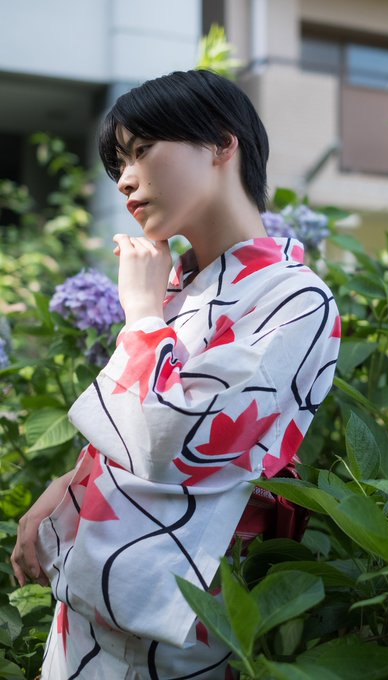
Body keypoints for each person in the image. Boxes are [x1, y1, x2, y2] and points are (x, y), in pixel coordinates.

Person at [11, 69, 341, 679]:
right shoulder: (178, 285)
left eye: (142, 150)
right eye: (119, 163)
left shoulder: (298, 299)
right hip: (91, 601)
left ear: (221, 142)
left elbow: (172, 445)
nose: (125, 179)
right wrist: (70, 479)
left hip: (177, 621)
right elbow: (135, 423)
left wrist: (141, 314)